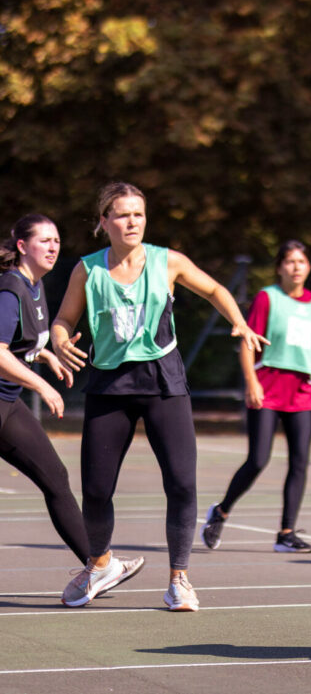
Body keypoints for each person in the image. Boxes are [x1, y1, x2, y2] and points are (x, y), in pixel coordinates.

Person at [50, 182, 267, 612]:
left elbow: (215, 291)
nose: (132, 221)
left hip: (163, 381)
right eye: (123, 214)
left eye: (139, 214)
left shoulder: (168, 261)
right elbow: (64, 319)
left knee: (182, 483)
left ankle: (179, 580)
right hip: (109, 386)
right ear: (103, 222)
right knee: (94, 490)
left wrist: (239, 322)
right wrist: (58, 340)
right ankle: (99, 564)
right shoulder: (87, 270)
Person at [0, 214, 145, 602]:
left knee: (55, 478)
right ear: (21, 247)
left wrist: (44, 354)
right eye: (44, 240)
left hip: (7, 406)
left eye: (56, 240)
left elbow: (18, 341)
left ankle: (99, 564)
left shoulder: (34, 286)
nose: (52, 247)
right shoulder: (10, 289)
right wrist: (41, 384)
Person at [202, 240, 311, 554]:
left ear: (308, 267)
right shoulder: (268, 298)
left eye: (302, 262)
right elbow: (247, 341)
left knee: (299, 463)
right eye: (290, 262)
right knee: (258, 459)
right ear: (280, 267)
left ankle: (286, 533)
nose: (296, 267)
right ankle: (221, 511)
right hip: (267, 388)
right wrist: (251, 381)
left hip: (301, 392)